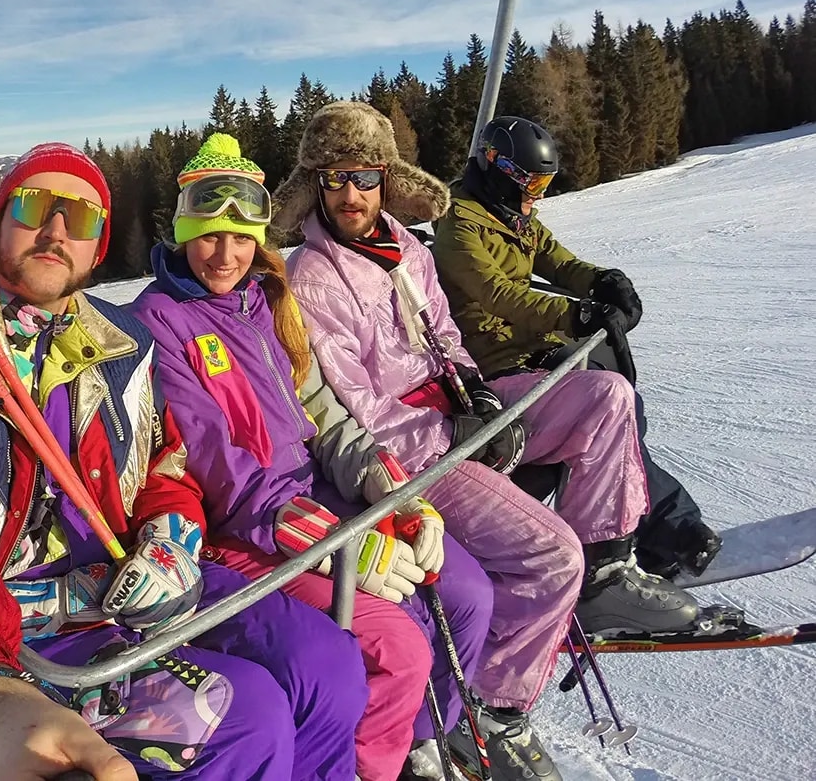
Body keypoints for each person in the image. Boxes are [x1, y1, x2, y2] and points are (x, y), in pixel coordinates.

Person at [0, 142, 368, 781]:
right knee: (245, 718)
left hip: (135, 576)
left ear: (98, 246)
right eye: (36, 208)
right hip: (25, 626)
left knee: (328, 664)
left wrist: (171, 536)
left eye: (80, 219)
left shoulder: (121, 342)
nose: (57, 230)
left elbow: (165, 466)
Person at [271, 102, 703, 781]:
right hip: (410, 454)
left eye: (361, 175)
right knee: (548, 553)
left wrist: (473, 391)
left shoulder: (406, 246)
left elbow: (445, 335)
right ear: (315, 186)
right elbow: (361, 406)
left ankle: (607, 569)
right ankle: (491, 709)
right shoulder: (313, 279)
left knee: (605, 397)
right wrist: (456, 432)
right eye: (332, 178)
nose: (349, 193)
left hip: (454, 410)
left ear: (385, 178)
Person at [132, 135, 495, 781]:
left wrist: (387, 483)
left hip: (318, 493)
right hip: (246, 526)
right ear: (184, 230)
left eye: (241, 235)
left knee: (461, 592)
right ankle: (367, 766)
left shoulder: (264, 300)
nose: (225, 253)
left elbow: (320, 411)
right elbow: (216, 459)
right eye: (209, 234)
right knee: (399, 643)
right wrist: (330, 542)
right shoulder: (162, 319)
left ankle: (416, 739)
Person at [430, 116, 720, 580]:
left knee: (624, 408)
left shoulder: (514, 216)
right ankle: (659, 531)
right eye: (530, 180)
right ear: (493, 163)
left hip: (535, 350)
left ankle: (657, 526)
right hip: (495, 364)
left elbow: (562, 263)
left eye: (544, 181)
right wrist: (576, 315)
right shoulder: (459, 226)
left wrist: (604, 281)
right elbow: (499, 294)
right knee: (611, 410)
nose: (537, 192)